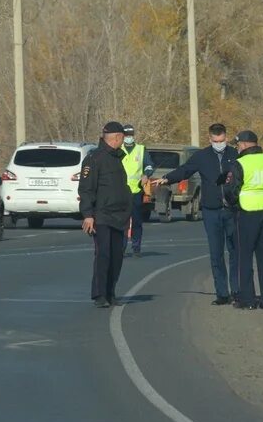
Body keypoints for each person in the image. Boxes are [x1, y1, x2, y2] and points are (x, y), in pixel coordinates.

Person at [160, 123, 238, 305]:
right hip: (211, 211)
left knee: (235, 251)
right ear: (210, 139)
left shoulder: (234, 154)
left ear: (226, 137)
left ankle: (237, 290)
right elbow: (185, 170)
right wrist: (167, 178)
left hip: (232, 210)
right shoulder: (202, 156)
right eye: (216, 141)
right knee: (216, 253)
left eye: (222, 140)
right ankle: (222, 293)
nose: (219, 144)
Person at [79, 121, 154, 308]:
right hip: (101, 216)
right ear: (116, 137)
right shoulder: (94, 159)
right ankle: (100, 295)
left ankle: (111, 293)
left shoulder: (117, 157)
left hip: (120, 216)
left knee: (117, 257)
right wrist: (88, 215)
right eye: (122, 137)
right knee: (103, 255)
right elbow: (86, 189)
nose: (124, 140)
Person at [223, 130, 263, 310]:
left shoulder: (239, 163)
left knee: (244, 256)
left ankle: (247, 300)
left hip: (247, 212)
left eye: (237, 145)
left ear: (242, 144)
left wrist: (234, 204)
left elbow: (231, 191)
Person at [120, 125, 151, 257]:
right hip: (120, 192)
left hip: (136, 191)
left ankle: (136, 247)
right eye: (126, 135)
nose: (128, 137)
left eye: (130, 134)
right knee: (122, 222)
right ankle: (120, 248)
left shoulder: (141, 149)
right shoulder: (118, 150)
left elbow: (149, 165)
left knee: (137, 221)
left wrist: (146, 174)